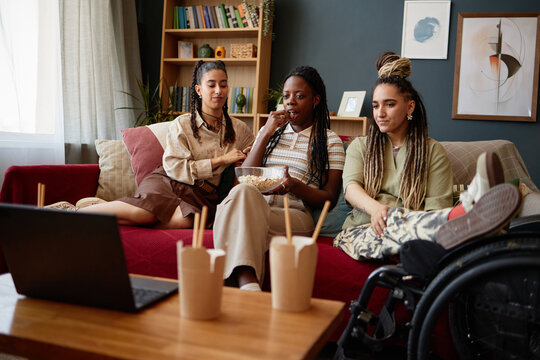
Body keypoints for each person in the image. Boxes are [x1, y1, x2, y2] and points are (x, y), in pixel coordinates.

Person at [334, 51, 521, 261]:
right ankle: (469, 212)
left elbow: (435, 211)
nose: (380, 113)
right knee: (403, 229)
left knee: (413, 234)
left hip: (416, 231)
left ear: (409, 107)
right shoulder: (359, 146)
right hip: (359, 232)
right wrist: (377, 209)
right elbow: (351, 189)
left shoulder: (432, 152)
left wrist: (402, 220)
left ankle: (469, 216)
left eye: (389, 104)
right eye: (376, 105)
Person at [213, 66, 346, 291]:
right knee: (242, 192)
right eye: (286, 96)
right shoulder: (272, 134)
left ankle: (239, 282)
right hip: (255, 205)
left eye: (299, 96)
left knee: (230, 210)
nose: (290, 102)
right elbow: (245, 177)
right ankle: (249, 285)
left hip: (294, 213)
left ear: (315, 100)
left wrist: (294, 185)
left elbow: (329, 198)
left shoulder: (329, 141)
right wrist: (265, 133)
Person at [80, 60, 254, 228]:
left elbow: (257, 154)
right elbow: (175, 167)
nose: (218, 91)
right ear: (199, 90)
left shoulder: (239, 128)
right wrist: (222, 160)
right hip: (169, 181)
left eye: (223, 85)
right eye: (211, 85)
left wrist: (256, 146)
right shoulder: (182, 124)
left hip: (201, 195)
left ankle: (100, 213)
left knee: (184, 222)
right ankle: (77, 213)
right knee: (146, 214)